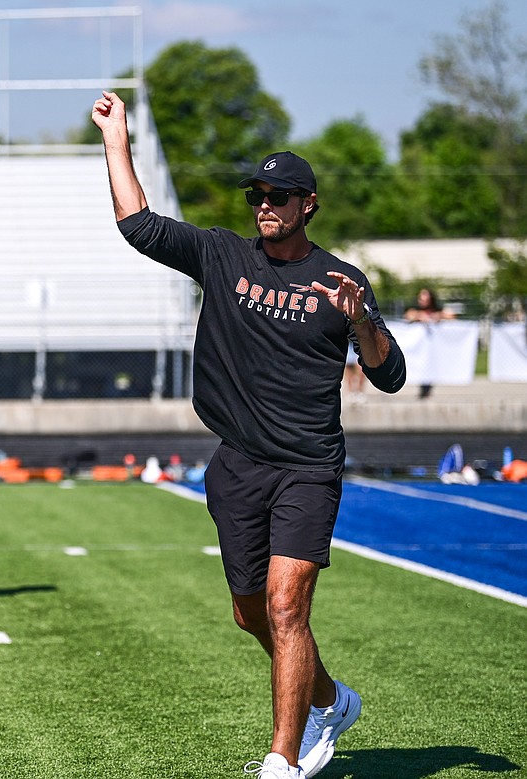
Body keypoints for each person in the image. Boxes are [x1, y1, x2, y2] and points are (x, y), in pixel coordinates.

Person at [92, 91, 407, 778]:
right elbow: (138, 225)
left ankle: (281, 760)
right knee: (251, 612)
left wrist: (360, 320)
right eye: (257, 195)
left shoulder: (343, 280)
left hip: (308, 467)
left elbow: (390, 375)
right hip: (237, 464)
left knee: (287, 605)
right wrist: (117, 140)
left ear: (308, 204)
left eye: (278, 195)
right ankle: (330, 699)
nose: (264, 204)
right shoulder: (222, 255)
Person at [404, 287, 455, 399]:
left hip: (435, 347)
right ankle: (424, 389)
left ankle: (427, 388)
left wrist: (439, 316)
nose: (422, 301)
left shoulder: (437, 310)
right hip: (420, 347)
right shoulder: (416, 310)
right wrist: (419, 316)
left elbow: (451, 315)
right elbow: (408, 315)